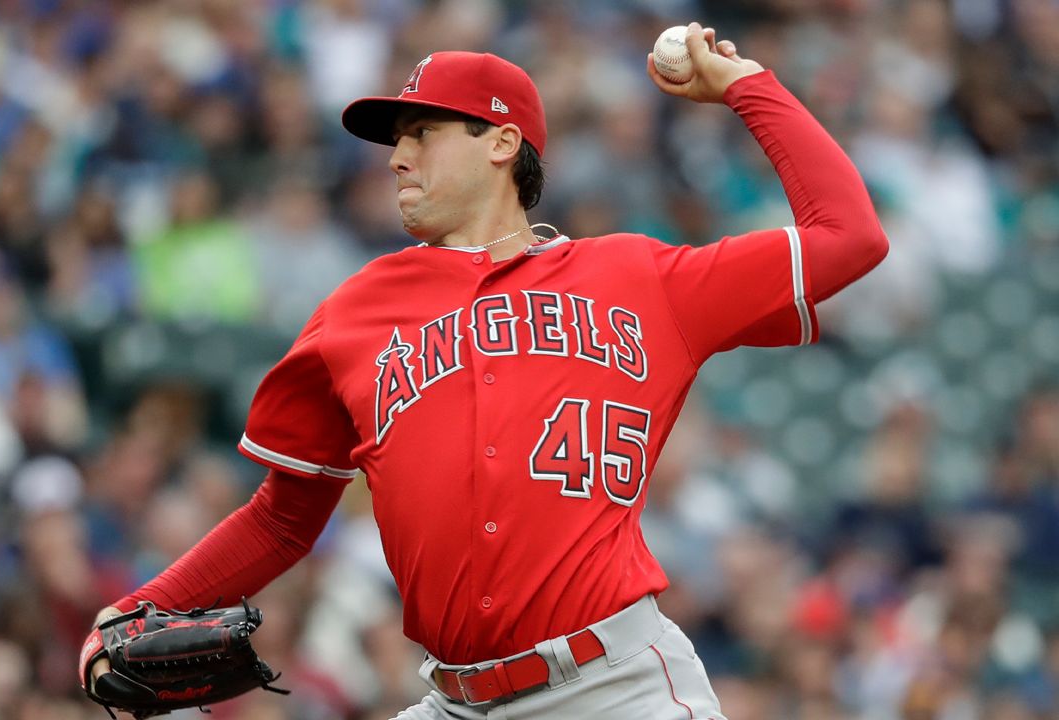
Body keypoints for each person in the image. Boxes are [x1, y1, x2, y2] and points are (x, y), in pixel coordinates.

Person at [84, 22, 888, 719]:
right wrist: (137, 609)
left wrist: (748, 86)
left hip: (616, 689)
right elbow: (284, 518)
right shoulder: (355, 311)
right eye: (394, 141)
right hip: (456, 701)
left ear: (502, 142)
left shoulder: (645, 279)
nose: (397, 157)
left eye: (421, 132)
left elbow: (849, 236)